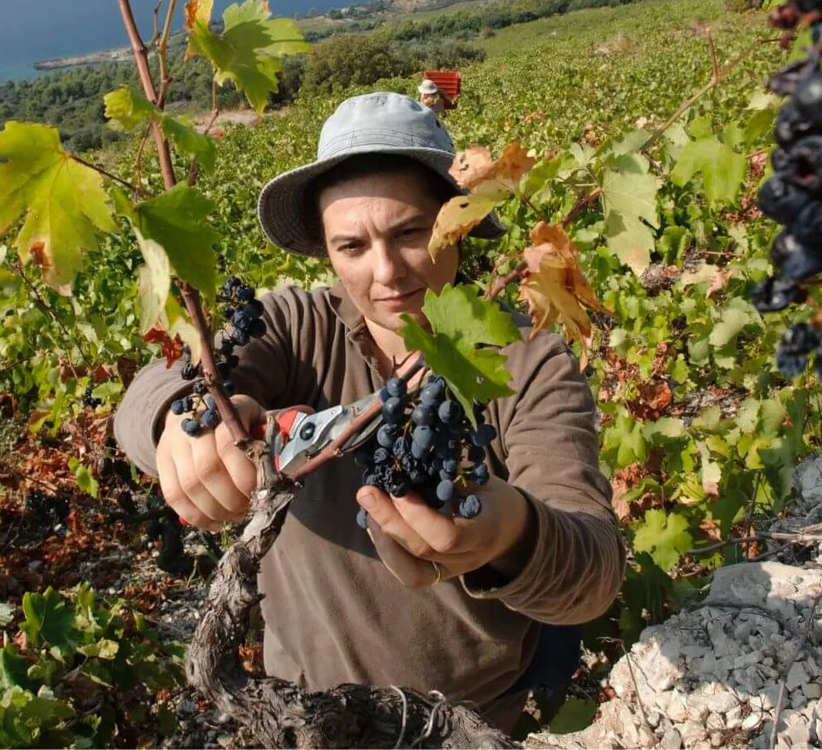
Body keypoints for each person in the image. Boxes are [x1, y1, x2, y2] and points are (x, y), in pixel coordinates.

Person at [113, 92, 624, 731]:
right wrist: (183, 423)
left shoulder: (525, 359)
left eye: (410, 233)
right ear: (327, 254)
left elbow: (596, 570)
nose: (387, 272)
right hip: (308, 722)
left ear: (456, 224)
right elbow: (153, 390)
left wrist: (509, 533)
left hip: (473, 729)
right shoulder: (294, 326)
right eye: (352, 246)